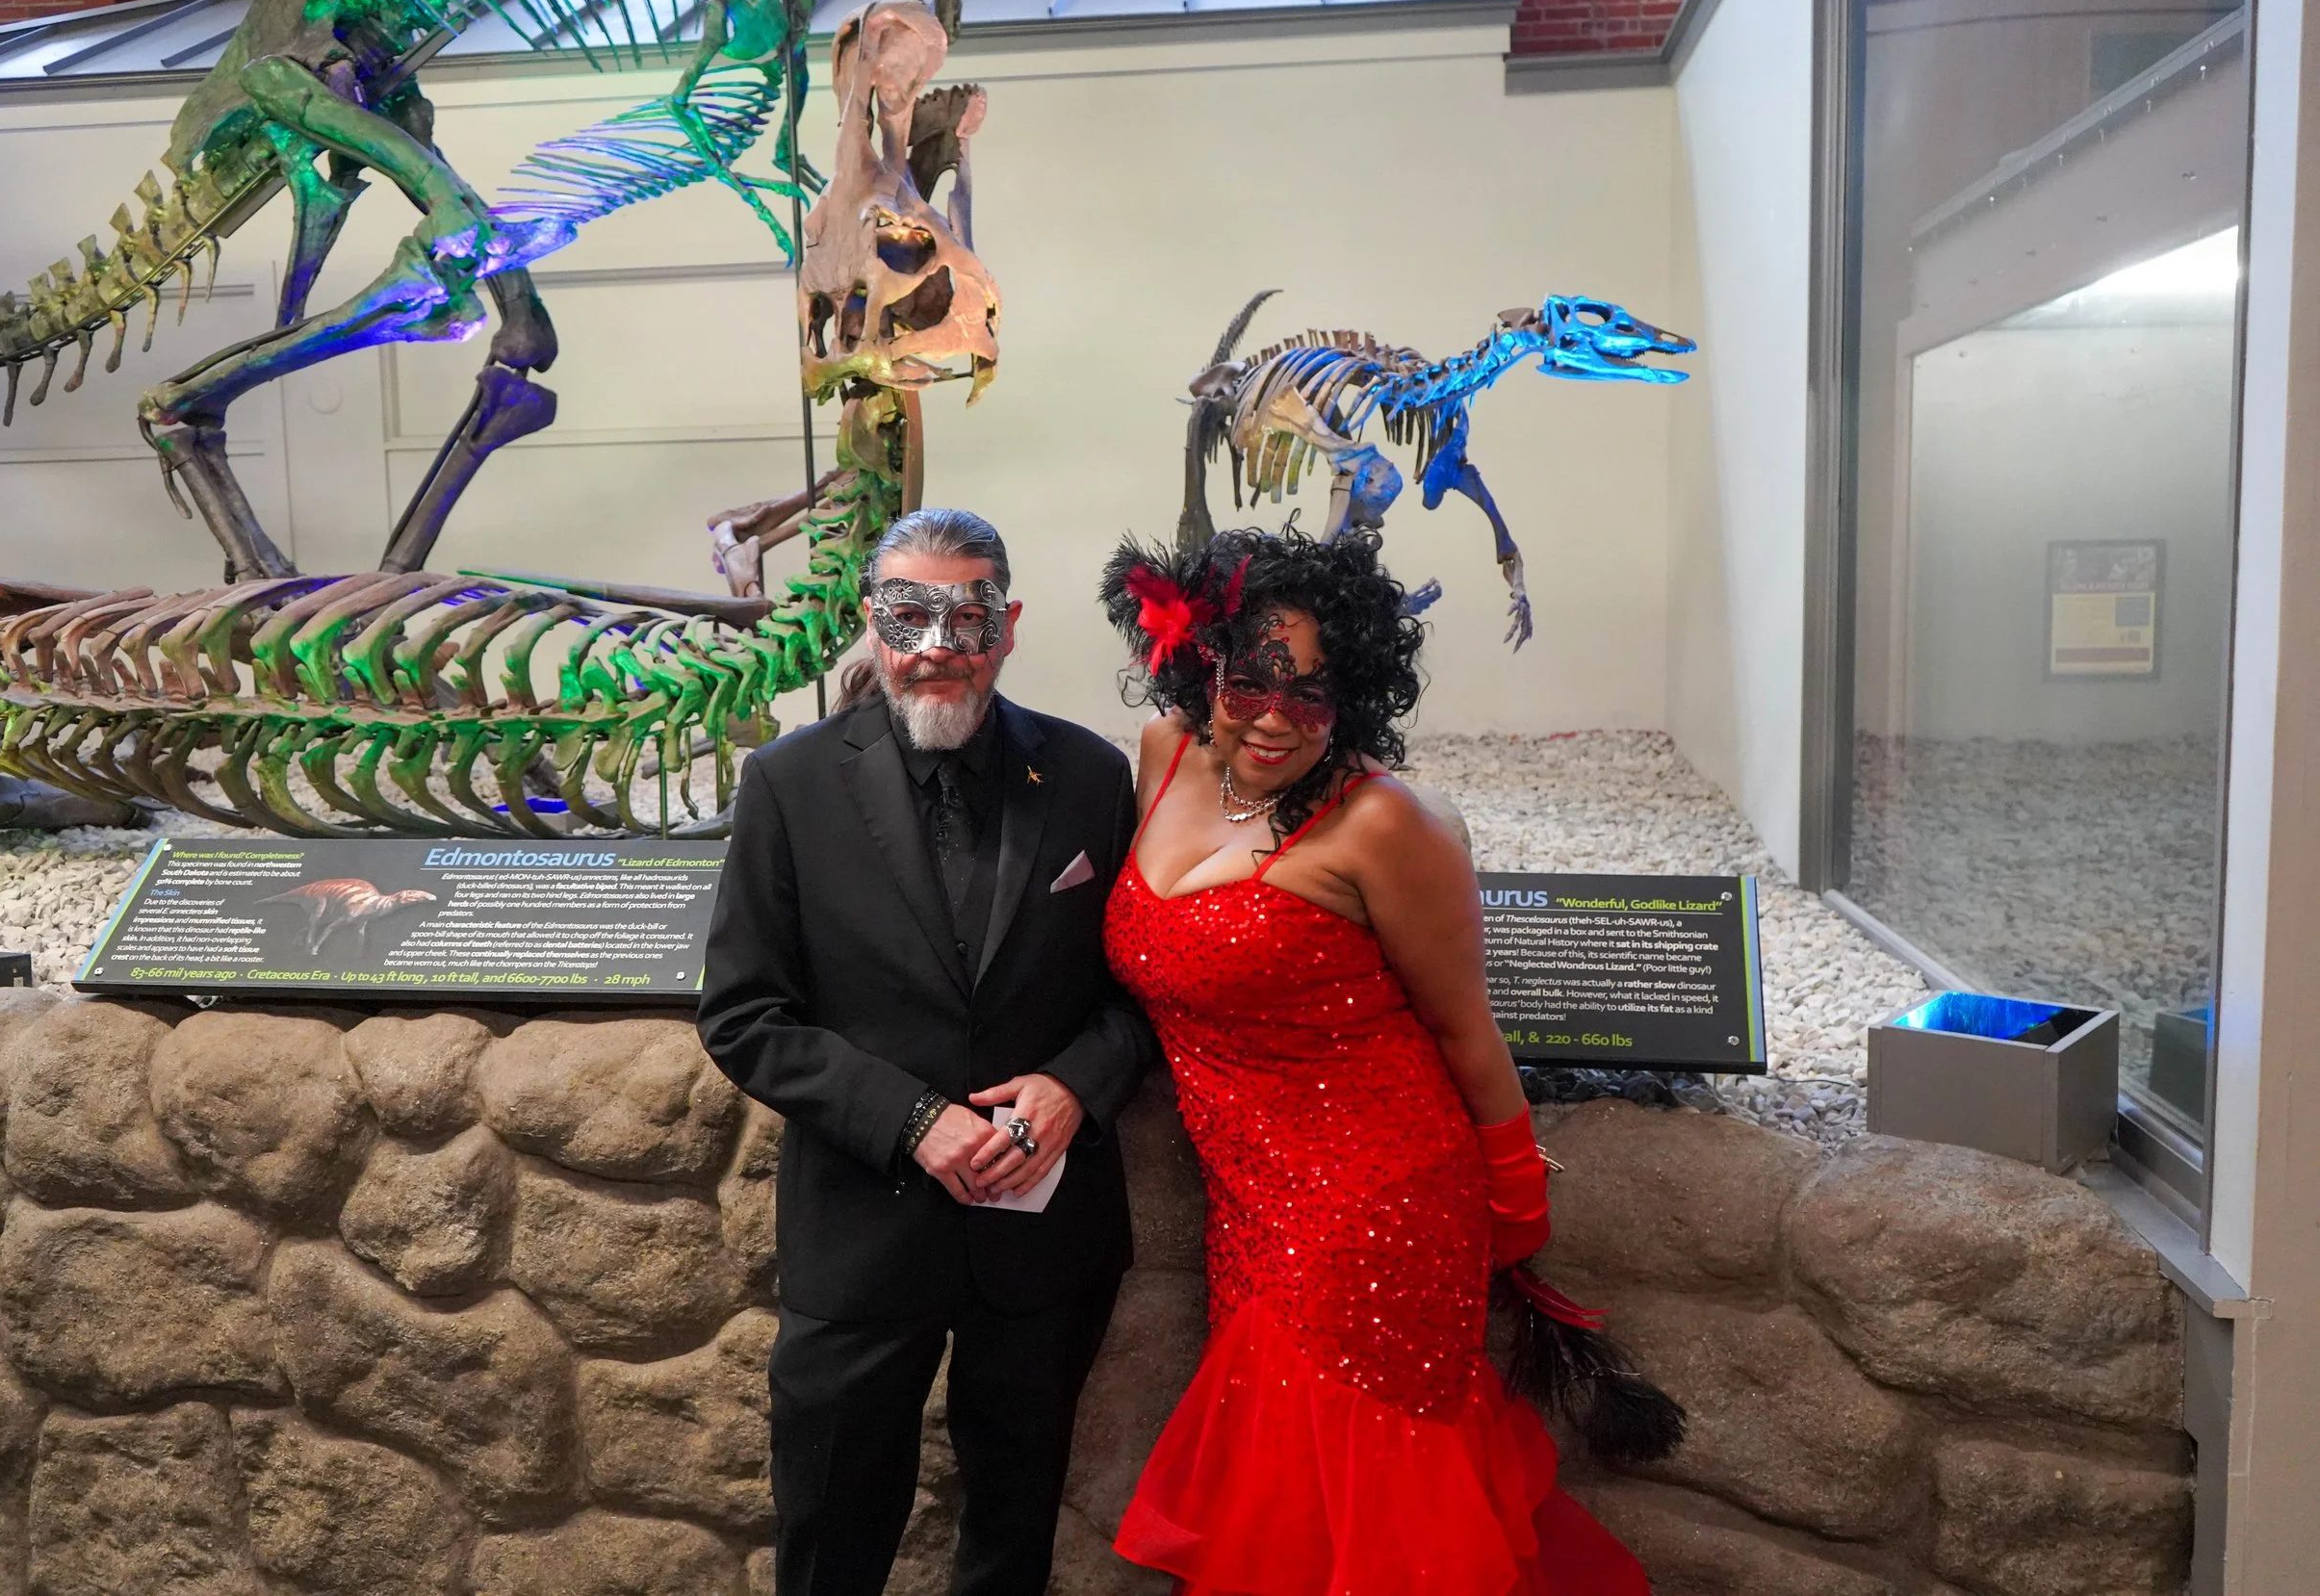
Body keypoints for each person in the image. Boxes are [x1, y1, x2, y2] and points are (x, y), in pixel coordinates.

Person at [1096, 526, 1652, 1595]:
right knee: (1290, 1492)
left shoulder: (1381, 823)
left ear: (1353, 694)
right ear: (1200, 664)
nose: (1273, 717)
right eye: (1249, 681)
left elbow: (1465, 1027)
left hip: (1375, 1208)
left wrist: (1515, 1190)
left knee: (1365, 1490)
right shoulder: (1163, 756)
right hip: (1250, 1205)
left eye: (1312, 693)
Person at [698, 507, 1159, 1596]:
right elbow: (745, 1013)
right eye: (909, 616)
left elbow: (1142, 993)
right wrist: (913, 1120)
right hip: (864, 1230)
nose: (937, 646)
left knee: (1013, 1535)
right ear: (872, 622)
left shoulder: (1090, 776)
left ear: (1009, 625)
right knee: (830, 1536)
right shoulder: (790, 784)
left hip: (1042, 1241)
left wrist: (1074, 1086)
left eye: (968, 616)